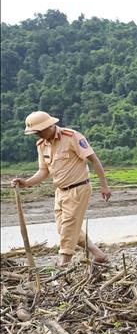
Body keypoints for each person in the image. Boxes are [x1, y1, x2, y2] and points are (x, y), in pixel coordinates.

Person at [11, 111, 111, 267]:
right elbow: (43, 172)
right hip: (60, 192)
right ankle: (99, 254)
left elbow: (94, 159)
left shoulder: (72, 137)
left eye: (39, 131)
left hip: (78, 188)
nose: (38, 135)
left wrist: (104, 185)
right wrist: (26, 183)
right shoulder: (42, 145)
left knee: (68, 228)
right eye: (35, 133)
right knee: (62, 228)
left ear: (49, 126)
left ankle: (63, 263)